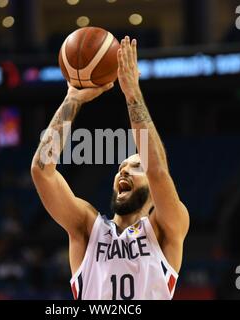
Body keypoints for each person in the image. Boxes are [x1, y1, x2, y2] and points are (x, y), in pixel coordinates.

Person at [31, 36, 189, 300]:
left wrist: (132, 93)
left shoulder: (166, 227)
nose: (124, 171)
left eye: (135, 167)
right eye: (120, 167)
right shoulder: (87, 226)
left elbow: (158, 170)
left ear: (153, 190)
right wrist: (72, 100)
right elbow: (41, 171)